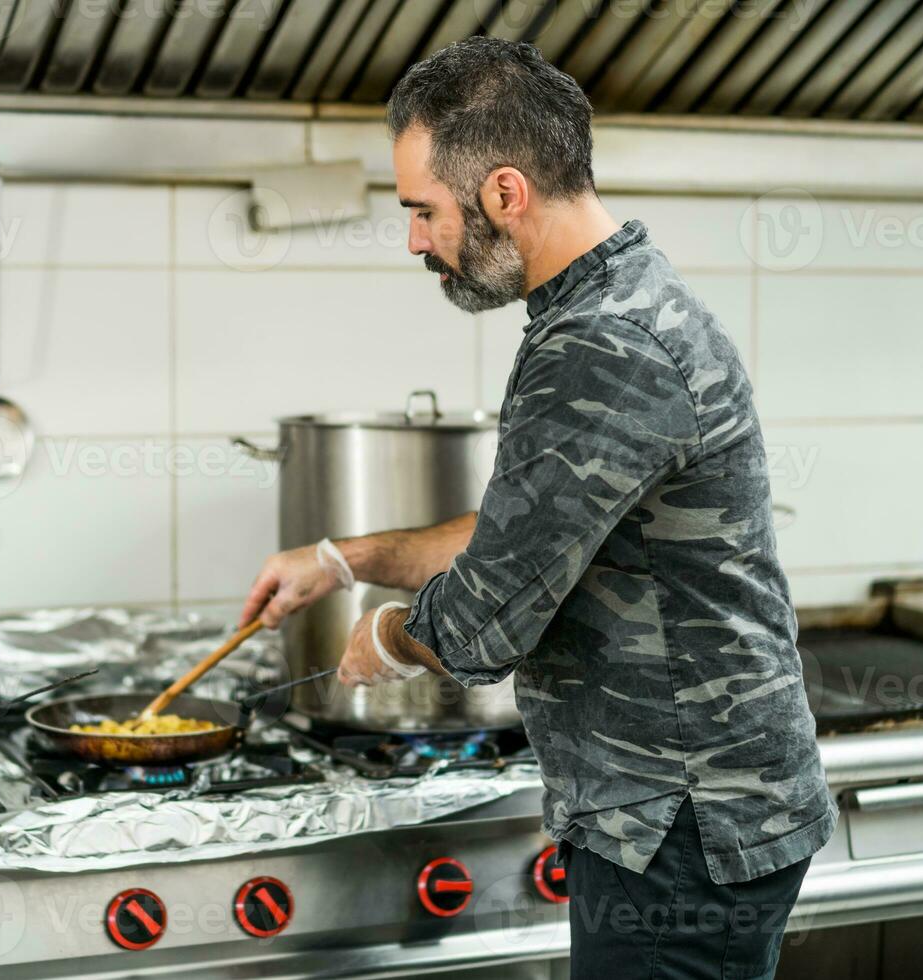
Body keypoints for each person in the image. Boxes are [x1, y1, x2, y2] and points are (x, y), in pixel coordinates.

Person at [238, 37, 835, 980]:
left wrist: (390, 638)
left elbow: (489, 617)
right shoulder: (604, 306)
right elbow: (531, 532)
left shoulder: (604, 344)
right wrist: (342, 559)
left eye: (422, 210)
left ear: (505, 193)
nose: (414, 240)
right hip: (672, 812)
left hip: (681, 823)